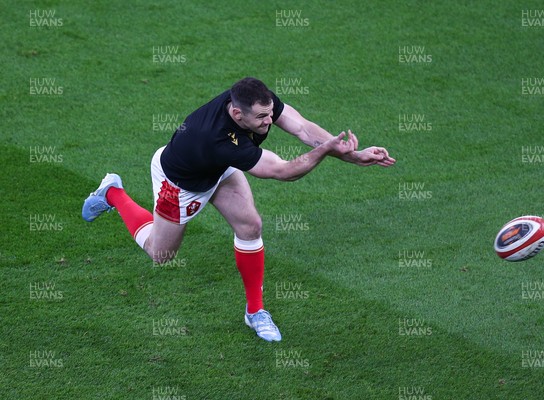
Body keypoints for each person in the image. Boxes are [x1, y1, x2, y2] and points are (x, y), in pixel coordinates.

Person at [82, 77, 395, 342]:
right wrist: (325, 152)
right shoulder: (215, 137)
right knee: (160, 255)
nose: (268, 122)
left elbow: (301, 127)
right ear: (236, 113)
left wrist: (352, 155)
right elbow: (283, 171)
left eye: (269, 113)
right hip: (181, 184)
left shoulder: (255, 99)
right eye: (260, 118)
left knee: (250, 226)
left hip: (218, 169)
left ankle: (255, 311)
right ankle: (113, 193)